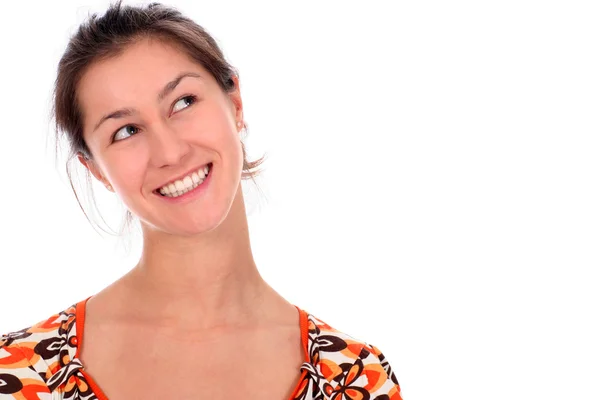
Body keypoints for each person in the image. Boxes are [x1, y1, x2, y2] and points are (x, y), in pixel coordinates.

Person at [0, 2, 402, 399]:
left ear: (236, 103)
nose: (170, 152)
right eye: (125, 131)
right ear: (97, 169)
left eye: (183, 102)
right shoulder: (19, 372)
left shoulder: (355, 379)